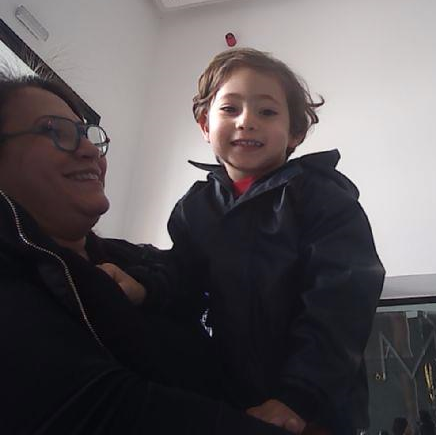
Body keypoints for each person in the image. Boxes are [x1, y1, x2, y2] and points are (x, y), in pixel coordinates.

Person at [0, 75, 291, 434]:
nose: (90, 151)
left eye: (86, 134)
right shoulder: (12, 279)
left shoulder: (133, 261)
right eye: (53, 130)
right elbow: (114, 410)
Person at [121, 48, 386, 434]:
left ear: (295, 133)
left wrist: (299, 396)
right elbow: (184, 278)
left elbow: (342, 301)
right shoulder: (195, 206)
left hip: (313, 409)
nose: (246, 121)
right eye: (230, 109)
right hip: (232, 402)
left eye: (267, 112)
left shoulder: (320, 196)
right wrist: (146, 285)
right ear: (205, 125)